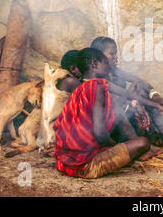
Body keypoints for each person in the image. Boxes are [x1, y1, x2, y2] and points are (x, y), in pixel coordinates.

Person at [53, 48, 150, 178]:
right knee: (143, 143)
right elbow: (99, 132)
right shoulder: (96, 87)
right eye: (105, 62)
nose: (108, 66)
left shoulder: (81, 87)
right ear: (94, 64)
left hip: (65, 162)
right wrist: (115, 147)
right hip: (85, 166)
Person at [90, 37, 163, 149]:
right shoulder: (97, 80)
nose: (115, 57)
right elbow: (115, 103)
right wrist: (134, 102)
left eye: (116, 53)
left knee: (142, 91)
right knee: (135, 99)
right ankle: (160, 140)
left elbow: (140, 81)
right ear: (99, 56)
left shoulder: (113, 70)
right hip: (115, 125)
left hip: (126, 112)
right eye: (112, 54)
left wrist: (155, 95)